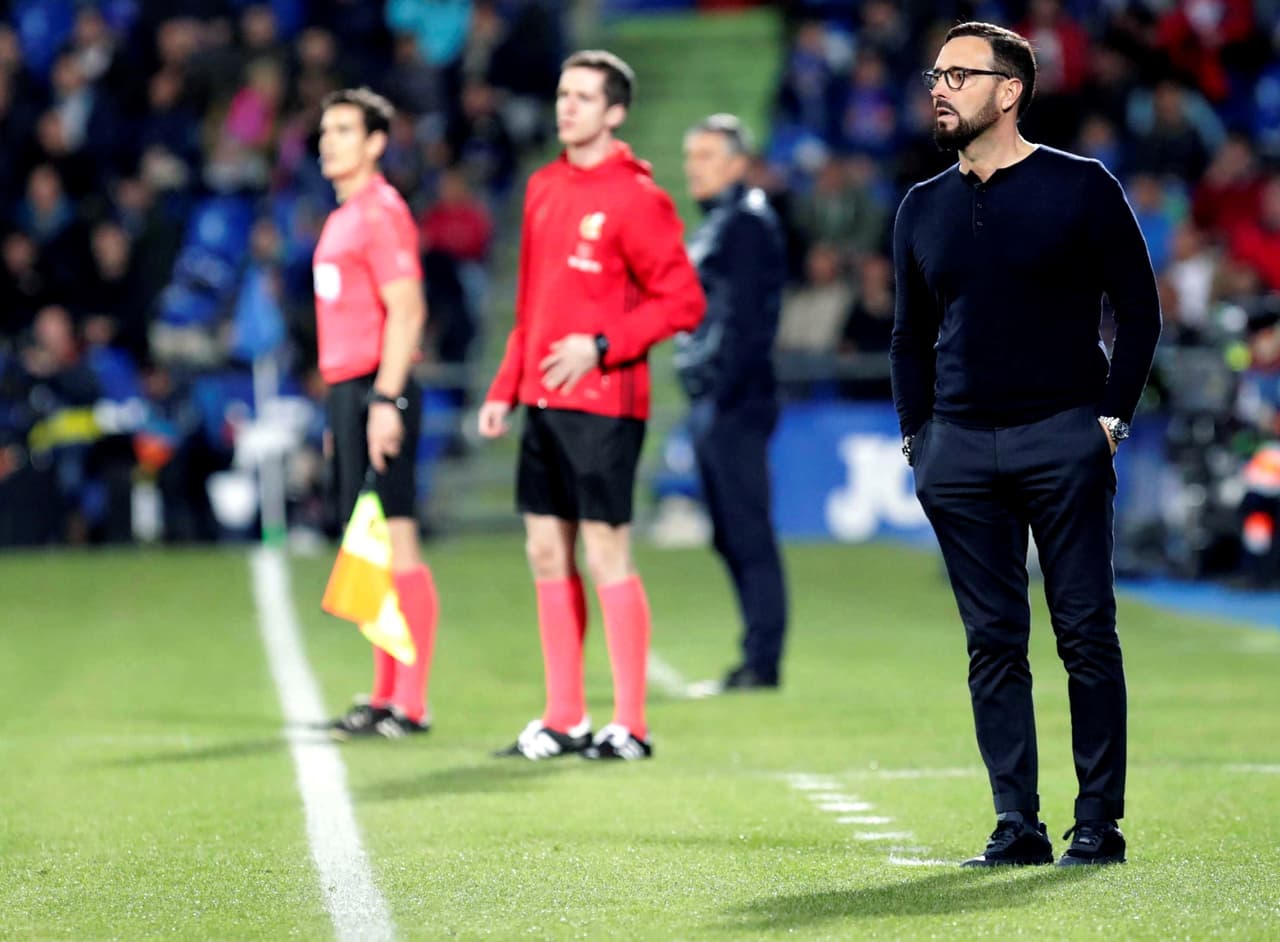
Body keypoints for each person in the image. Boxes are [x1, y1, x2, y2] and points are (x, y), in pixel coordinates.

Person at [890, 23, 1161, 867]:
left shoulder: (1081, 186)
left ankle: (1098, 824)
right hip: (959, 451)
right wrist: (918, 441)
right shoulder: (920, 204)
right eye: (936, 72)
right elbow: (909, 337)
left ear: (1009, 91)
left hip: (1063, 437)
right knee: (992, 643)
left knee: (1084, 632)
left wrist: (1108, 423)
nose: (940, 86)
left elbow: (1141, 312)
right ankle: (1017, 825)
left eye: (960, 74)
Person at [478, 50, 705, 761]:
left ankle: (631, 726)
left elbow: (684, 301)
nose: (566, 107)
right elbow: (531, 302)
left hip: (606, 403)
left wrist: (602, 345)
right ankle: (564, 717)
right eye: (562, 93)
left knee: (606, 552)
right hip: (543, 399)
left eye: (583, 97)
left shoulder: (638, 197)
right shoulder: (543, 185)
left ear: (615, 112)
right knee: (546, 550)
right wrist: (505, 387)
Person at [312, 87, 439, 740]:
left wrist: (384, 401)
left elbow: (408, 310)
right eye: (325, 130)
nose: (329, 140)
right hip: (349, 391)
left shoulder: (381, 212)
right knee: (372, 547)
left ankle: (411, 703)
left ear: (376, 143)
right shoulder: (343, 215)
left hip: (376, 386)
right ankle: (386, 694)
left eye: (344, 130)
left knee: (399, 539)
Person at [675, 113, 788, 691]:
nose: (694, 167)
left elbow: (743, 323)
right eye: (691, 156)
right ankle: (755, 653)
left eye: (708, 156)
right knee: (729, 530)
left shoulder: (743, 225)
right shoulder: (722, 224)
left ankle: (762, 659)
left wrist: (708, 377)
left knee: (746, 528)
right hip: (718, 397)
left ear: (738, 165)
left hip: (735, 400)